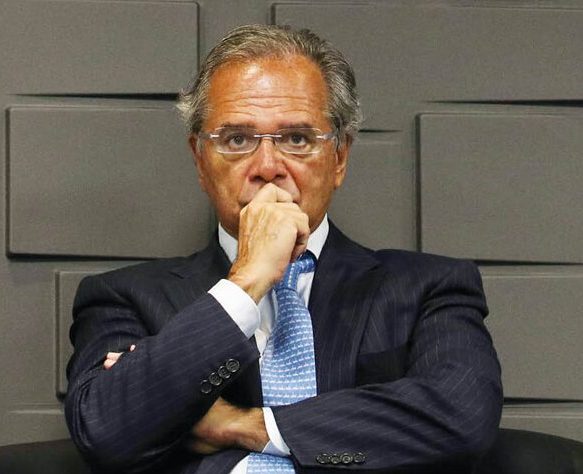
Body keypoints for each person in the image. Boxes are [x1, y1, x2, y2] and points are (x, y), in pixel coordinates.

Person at [65, 24, 503, 474]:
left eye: (297, 139)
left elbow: (461, 418)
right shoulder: (124, 297)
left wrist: (245, 425)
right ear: (200, 160)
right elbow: (105, 431)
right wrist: (247, 281)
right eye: (237, 140)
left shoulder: (430, 287)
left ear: (339, 158)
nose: (268, 166)